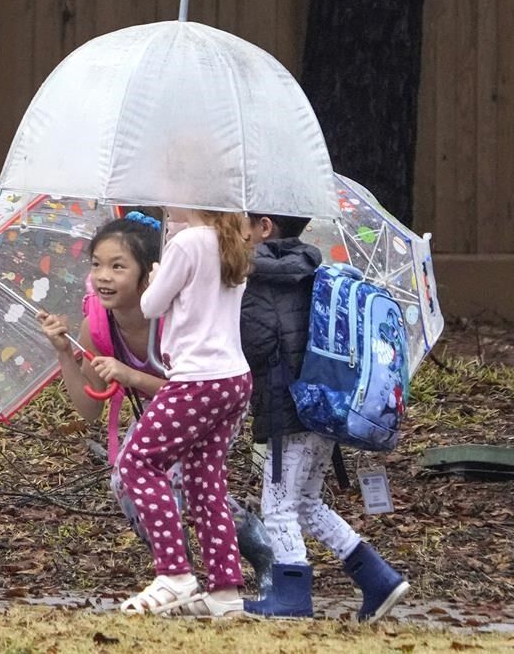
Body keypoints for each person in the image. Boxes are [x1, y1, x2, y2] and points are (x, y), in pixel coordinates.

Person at [39, 214, 274, 596]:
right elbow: (88, 410)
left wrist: (131, 377)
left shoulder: (177, 313)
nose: (103, 277)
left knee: (185, 476)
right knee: (126, 479)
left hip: (203, 398)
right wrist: (65, 353)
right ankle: (179, 567)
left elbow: (190, 389)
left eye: (118, 266)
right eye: (97, 264)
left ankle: (254, 551)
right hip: (168, 410)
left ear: (151, 274)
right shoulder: (97, 326)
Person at [241, 213, 409, 622]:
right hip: (325, 404)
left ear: (265, 227)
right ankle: (378, 579)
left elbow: (258, 345)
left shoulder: (260, 280)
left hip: (288, 411)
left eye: (242, 224)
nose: (237, 233)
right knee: (308, 504)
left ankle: (291, 595)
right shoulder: (312, 270)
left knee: (278, 507)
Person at [105, 208, 254, 617]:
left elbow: (151, 306)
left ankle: (175, 575)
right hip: (233, 378)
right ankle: (224, 591)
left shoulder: (187, 242)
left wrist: (155, 277)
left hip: (197, 379)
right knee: (205, 480)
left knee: (137, 462)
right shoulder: (231, 239)